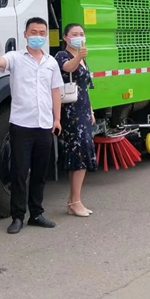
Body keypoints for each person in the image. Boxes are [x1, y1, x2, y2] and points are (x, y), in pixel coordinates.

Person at [0, 17, 63, 235]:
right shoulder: (16, 58)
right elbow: (1, 61)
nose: (38, 36)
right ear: (26, 34)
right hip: (21, 124)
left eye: (42, 33)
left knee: (40, 173)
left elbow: (56, 91)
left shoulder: (51, 62)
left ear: (46, 36)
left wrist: (57, 119)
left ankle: (36, 214)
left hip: (44, 124)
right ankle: (17, 217)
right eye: (33, 32)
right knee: (19, 172)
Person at [55, 24, 97, 217]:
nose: (79, 37)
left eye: (81, 34)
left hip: (83, 110)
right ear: (65, 37)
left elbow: (85, 87)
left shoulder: (82, 58)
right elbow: (67, 68)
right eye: (74, 34)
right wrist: (79, 57)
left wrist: (91, 111)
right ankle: (75, 202)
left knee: (80, 154)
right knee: (78, 154)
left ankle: (74, 201)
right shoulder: (62, 55)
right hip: (71, 112)